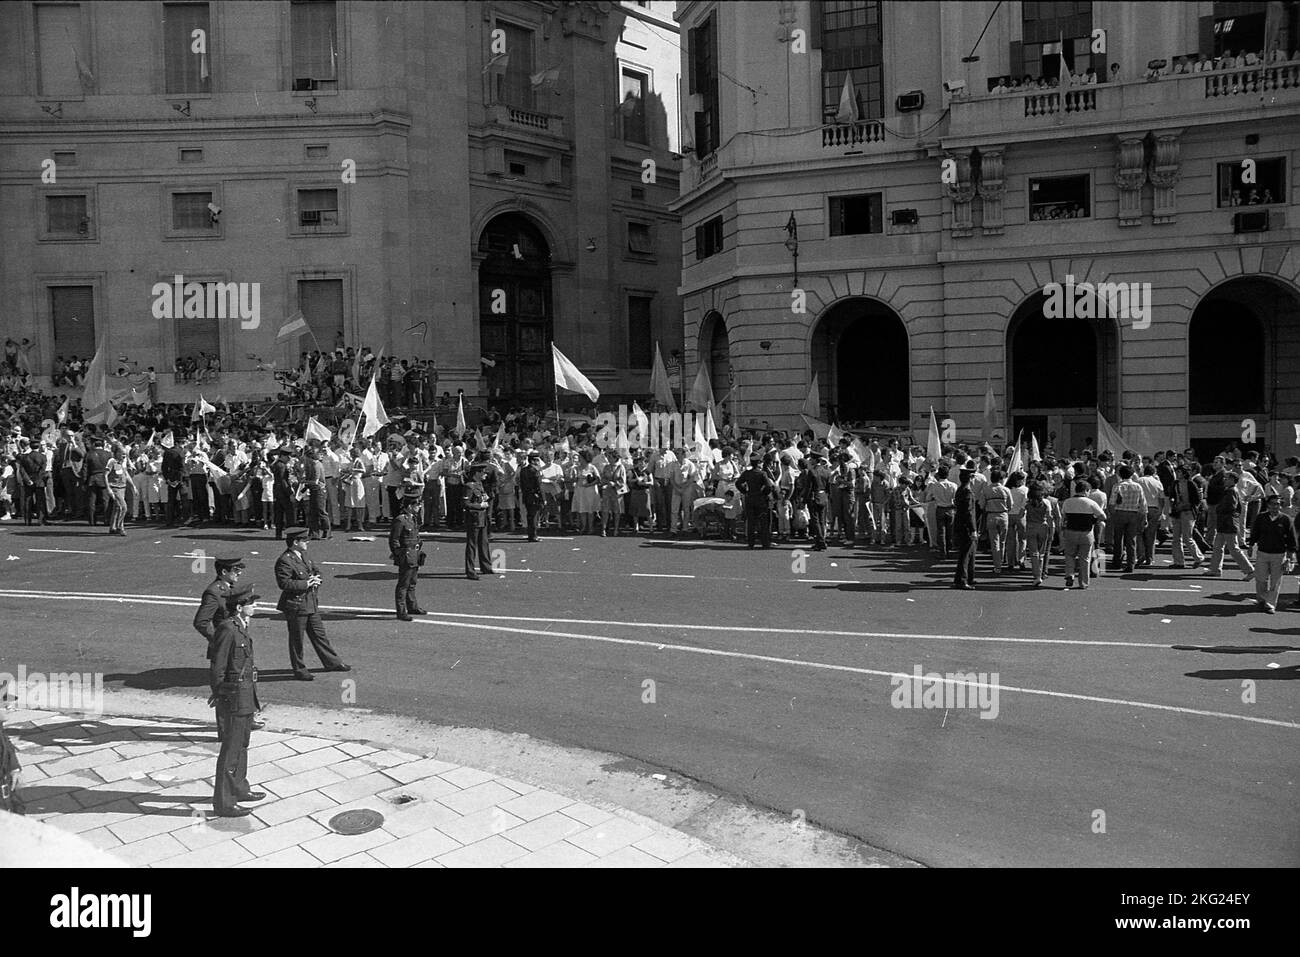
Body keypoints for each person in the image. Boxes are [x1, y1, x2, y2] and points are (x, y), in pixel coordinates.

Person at [208, 585, 266, 817]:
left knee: (242, 744)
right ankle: (224, 802)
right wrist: (222, 695)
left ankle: (239, 788)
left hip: (245, 694)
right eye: (252, 604)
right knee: (231, 750)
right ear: (240, 608)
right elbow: (217, 667)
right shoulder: (228, 629)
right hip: (234, 697)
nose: (256, 606)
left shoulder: (240, 627)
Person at [274, 529, 350, 680]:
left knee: (319, 635)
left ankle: (332, 662)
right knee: (297, 640)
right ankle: (300, 669)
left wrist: (317, 578)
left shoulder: (304, 555)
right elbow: (284, 583)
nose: (307, 542)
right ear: (295, 542)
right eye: (304, 540)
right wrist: (307, 583)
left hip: (310, 602)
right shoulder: (285, 560)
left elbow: (315, 570)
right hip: (296, 605)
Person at [1248, 494, 1296, 614]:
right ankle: (1262, 599)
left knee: (1275, 581)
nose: (1275, 506)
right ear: (1268, 505)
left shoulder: (1286, 519)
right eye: (1272, 504)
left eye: (1278, 504)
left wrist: (1290, 556)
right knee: (1260, 579)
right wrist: (1250, 545)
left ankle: (1270, 604)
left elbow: (1291, 538)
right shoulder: (1261, 518)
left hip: (1279, 555)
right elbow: (1255, 532)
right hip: (1262, 552)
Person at [1205, 473, 1255, 579]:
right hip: (1224, 523)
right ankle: (1215, 569)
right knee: (1218, 547)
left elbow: (1231, 506)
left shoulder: (1231, 491)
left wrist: (1219, 509)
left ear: (1232, 480)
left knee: (1233, 548)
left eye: (1227, 478)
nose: (1224, 480)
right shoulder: (1230, 490)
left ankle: (1250, 570)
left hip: (1228, 523)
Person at [389, 483, 426, 620]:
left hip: (414, 554)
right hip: (407, 554)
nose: (419, 507)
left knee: (412, 582)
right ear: (410, 506)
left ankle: (412, 606)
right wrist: (399, 555)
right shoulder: (401, 520)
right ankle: (401, 610)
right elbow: (394, 540)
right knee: (403, 584)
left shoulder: (413, 518)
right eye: (417, 505)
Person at [1060, 480, 1107, 589]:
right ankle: (1083, 582)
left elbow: (1064, 517)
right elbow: (1103, 516)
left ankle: (1069, 575)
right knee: (1085, 558)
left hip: (1071, 531)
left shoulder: (1068, 502)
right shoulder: (1090, 502)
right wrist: (1093, 520)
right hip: (1086, 533)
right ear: (1086, 491)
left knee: (1070, 555)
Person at [736, 453, 776, 548]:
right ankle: (765, 543)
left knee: (751, 522)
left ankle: (751, 543)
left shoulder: (747, 473)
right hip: (761, 499)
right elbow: (769, 486)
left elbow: (738, 483)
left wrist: (745, 491)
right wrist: (764, 494)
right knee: (763, 522)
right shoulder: (762, 473)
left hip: (750, 498)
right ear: (758, 463)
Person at [463, 462, 495, 580]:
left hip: (482, 518)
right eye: (483, 472)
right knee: (472, 545)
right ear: (477, 473)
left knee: (484, 543)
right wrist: (480, 505)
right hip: (474, 519)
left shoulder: (479, 484)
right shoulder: (469, 486)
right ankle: (470, 570)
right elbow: (466, 503)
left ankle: (486, 566)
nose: (485, 474)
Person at [952, 467, 977, 589]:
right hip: (966, 526)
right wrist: (973, 529)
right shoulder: (967, 492)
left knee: (969, 552)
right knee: (966, 553)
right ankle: (962, 579)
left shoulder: (960, 490)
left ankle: (968, 577)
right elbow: (969, 513)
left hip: (960, 524)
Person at [519, 452, 544, 541]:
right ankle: (533, 535)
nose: (538, 462)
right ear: (533, 461)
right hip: (534, 496)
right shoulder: (535, 471)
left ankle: (531, 534)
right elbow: (539, 486)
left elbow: (521, 483)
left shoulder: (523, 470)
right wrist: (543, 498)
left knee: (530, 516)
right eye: (537, 460)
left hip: (526, 495)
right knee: (534, 516)